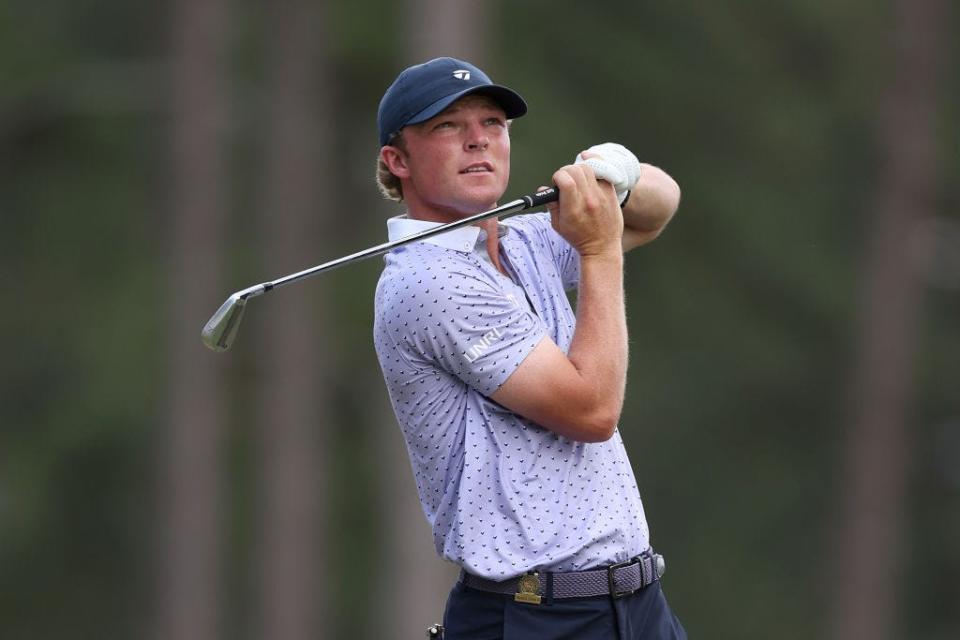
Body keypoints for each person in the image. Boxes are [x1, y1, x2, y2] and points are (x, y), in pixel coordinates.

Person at [372, 56, 686, 640]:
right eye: (447, 127)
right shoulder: (430, 282)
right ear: (398, 161)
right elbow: (590, 411)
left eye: (492, 123)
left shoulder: (525, 240)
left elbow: (660, 208)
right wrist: (598, 251)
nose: (477, 141)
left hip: (636, 605)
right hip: (536, 618)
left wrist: (618, 174)